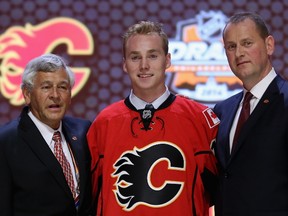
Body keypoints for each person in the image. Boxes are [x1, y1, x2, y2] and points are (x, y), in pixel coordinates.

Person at [87, 21, 220, 216]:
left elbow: (223, 191)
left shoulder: (199, 118)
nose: (144, 65)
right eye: (135, 57)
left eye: (152, 55)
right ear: (124, 64)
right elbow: (87, 198)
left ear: (167, 60)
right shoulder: (104, 122)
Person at [213, 11, 288, 215]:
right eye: (231, 46)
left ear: (269, 45)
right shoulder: (222, 111)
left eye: (247, 43)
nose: (239, 53)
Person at [0, 53, 93, 216]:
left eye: (62, 87)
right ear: (27, 94)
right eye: (46, 87)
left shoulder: (83, 131)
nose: (55, 95)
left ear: (70, 94)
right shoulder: (5, 142)